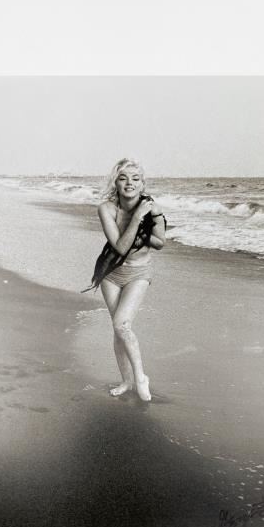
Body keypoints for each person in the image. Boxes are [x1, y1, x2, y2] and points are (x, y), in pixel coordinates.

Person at [92, 158, 166, 401]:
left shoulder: (151, 207)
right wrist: (136, 220)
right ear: (115, 182)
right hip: (110, 273)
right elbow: (121, 247)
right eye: (123, 178)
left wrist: (146, 226)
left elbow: (160, 243)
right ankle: (126, 380)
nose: (129, 183)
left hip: (139, 273)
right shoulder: (106, 209)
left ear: (142, 183)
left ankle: (141, 378)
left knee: (121, 325)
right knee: (118, 329)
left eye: (135, 178)